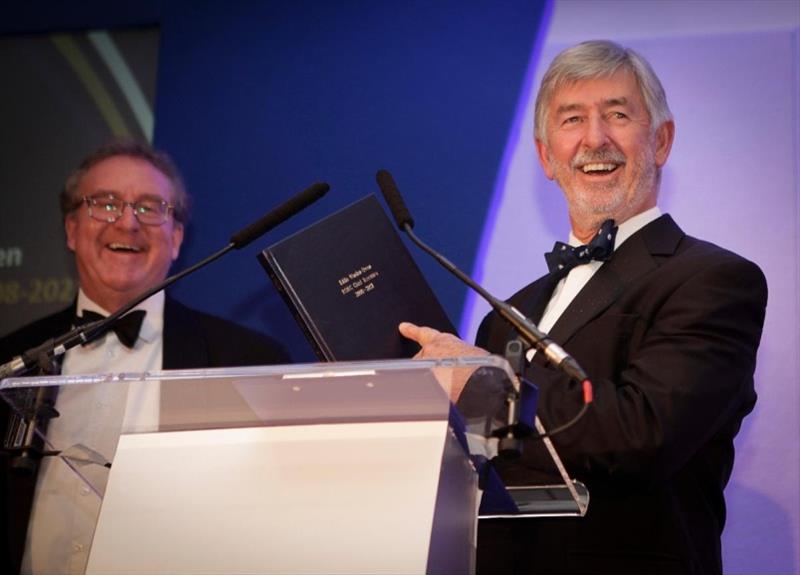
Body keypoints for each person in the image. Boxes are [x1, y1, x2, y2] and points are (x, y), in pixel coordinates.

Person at [400, 40, 767, 575]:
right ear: (547, 156)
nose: (595, 139)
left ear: (661, 141)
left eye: (617, 114)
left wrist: (482, 388)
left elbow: (645, 432)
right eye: (572, 119)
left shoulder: (713, 280)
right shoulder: (507, 313)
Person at [0, 139, 289, 574]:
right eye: (106, 204)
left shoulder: (248, 361)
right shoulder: (9, 360)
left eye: (151, 207)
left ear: (176, 239)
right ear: (71, 230)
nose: (129, 223)